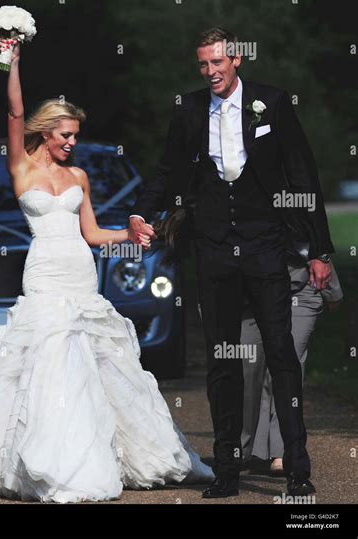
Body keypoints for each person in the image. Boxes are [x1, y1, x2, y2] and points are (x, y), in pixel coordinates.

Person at [0, 40, 214, 503]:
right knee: (45, 359)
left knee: (91, 363)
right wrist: (12, 61)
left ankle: (100, 450)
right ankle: (44, 459)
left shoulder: (78, 177)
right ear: (46, 132)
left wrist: (134, 234)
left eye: (76, 136)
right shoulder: (21, 167)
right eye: (66, 136)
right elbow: (15, 113)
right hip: (43, 273)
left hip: (80, 272)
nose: (72, 143)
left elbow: (94, 233)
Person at [129, 27, 335, 498]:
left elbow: (304, 175)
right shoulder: (188, 108)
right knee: (222, 362)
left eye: (217, 63)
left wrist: (321, 251)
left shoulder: (273, 103)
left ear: (237, 60)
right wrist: (142, 211)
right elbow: (166, 170)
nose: (210, 72)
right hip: (215, 250)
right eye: (203, 65)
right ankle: (226, 470)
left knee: (282, 356)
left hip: (266, 247)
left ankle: (298, 470)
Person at [241, 259, 343, 474]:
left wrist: (333, 289)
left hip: (302, 290)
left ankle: (282, 451)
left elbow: (315, 236)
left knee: (287, 364)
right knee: (256, 369)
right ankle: (256, 451)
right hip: (257, 291)